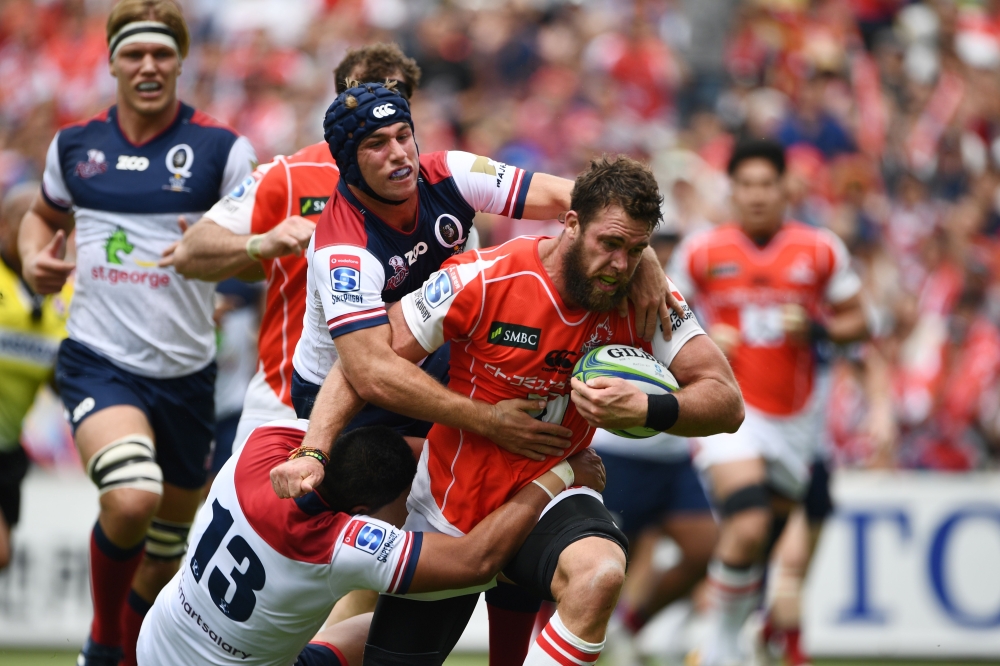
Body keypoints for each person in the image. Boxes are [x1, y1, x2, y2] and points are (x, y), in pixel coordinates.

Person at [273, 155, 745, 666]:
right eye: (609, 244)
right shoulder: (483, 278)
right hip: (452, 507)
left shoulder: (647, 299)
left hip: (557, 487)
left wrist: (650, 406)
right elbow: (362, 365)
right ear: (570, 223)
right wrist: (314, 451)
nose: (619, 265)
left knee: (600, 574)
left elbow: (726, 400)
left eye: (636, 250)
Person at [16, 2, 257, 664]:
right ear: (112, 62)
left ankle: (123, 649)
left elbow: (259, 254)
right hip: (99, 361)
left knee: (162, 559)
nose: (147, 66)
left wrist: (218, 263)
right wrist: (37, 255)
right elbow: (40, 220)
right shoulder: (75, 147)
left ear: (181, 61)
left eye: (160, 54)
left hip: (185, 377)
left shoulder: (224, 151)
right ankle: (99, 644)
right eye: (133, 54)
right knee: (131, 498)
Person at [136, 422, 606, 666]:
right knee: (445, 591)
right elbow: (475, 561)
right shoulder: (339, 546)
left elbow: (362, 443)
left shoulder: (264, 446)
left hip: (156, 644)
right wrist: (557, 476)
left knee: (377, 630)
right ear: (365, 516)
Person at [162, 43, 422, 453]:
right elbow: (189, 251)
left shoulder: (440, 189)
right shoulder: (289, 175)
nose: (378, 106)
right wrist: (262, 243)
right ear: (338, 101)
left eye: (394, 94)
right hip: (284, 403)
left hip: (394, 412)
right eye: (362, 92)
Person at [667, 138, 868, 666]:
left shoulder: (821, 249)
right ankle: (718, 649)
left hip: (797, 424)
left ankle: (732, 642)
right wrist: (705, 335)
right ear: (732, 190)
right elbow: (662, 320)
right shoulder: (701, 251)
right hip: (728, 411)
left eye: (766, 185)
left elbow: (859, 322)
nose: (756, 195)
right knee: (749, 524)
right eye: (746, 185)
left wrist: (820, 327)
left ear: (785, 190)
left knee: (759, 542)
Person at [590, 426, 717, 663]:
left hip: (675, 455)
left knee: (705, 548)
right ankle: (560, 635)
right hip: (617, 451)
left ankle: (627, 627)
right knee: (609, 561)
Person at [0, 182, 73, 571]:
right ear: (6, 227)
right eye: (32, 223)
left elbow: (61, 381)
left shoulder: (65, 298)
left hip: (8, 448)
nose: (42, 235)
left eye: (52, 226)